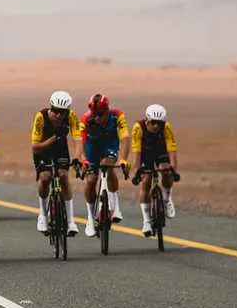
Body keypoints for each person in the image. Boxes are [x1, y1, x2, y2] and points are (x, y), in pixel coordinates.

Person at [77, 93, 130, 237]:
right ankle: (90, 217)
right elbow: (80, 144)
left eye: (100, 114)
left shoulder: (117, 115)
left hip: (109, 145)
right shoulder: (86, 119)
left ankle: (115, 205)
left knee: (108, 166)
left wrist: (124, 159)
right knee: (91, 180)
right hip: (92, 147)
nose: (97, 118)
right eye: (95, 114)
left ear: (107, 110)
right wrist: (82, 159)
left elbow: (125, 137)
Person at [30, 90, 81, 237]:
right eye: (56, 111)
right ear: (51, 108)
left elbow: (78, 139)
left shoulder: (71, 116)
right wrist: (54, 138)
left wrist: (77, 157)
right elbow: (35, 147)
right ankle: (43, 216)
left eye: (63, 112)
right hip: (42, 148)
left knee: (64, 177)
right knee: (45, 178)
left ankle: (71, 221)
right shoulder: (40, 117)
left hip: (60, 149)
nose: (59, 116)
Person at [128, 103, 180, 234]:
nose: (156, 126)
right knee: (146, 181)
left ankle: (167, 199)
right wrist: (137, 171)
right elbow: (136, 150)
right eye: (153, 123)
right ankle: (146, 221)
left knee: (166, 171)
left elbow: (172, 149)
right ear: (147, 120)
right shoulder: (138, 128)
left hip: (160, 150)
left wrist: (174, 169)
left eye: (159, 123)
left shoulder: (166, 127)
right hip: (145, 153)